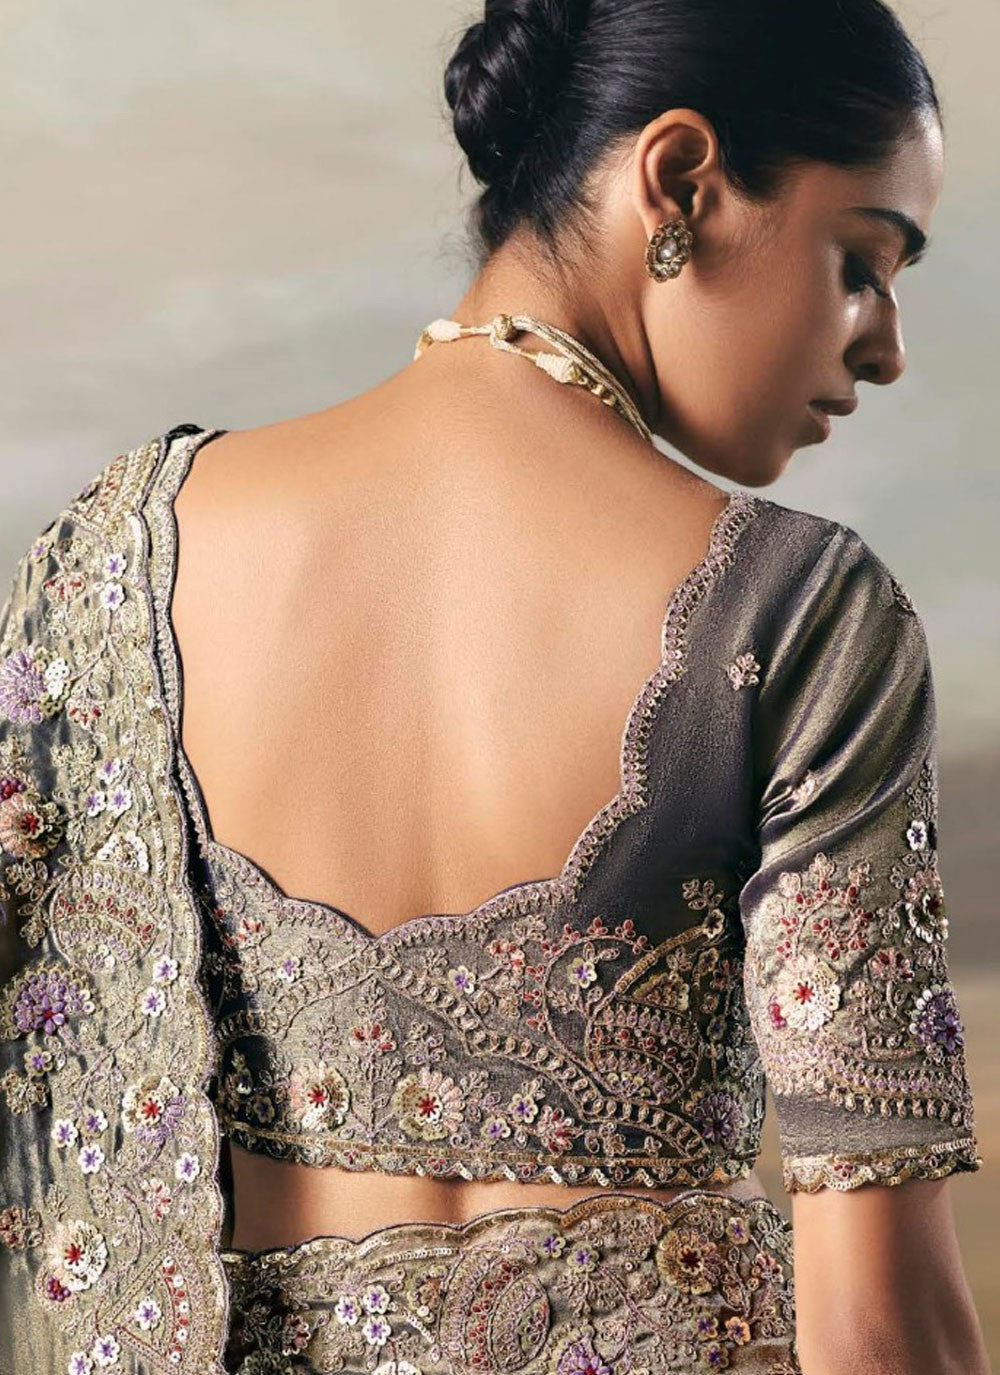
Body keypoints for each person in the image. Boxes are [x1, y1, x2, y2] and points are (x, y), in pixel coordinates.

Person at [0, 0, 990, 1371]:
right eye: (862, 263)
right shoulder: (801, 614)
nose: (885, 346)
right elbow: (878, 1323)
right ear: (681, 181)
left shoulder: (113, 564)